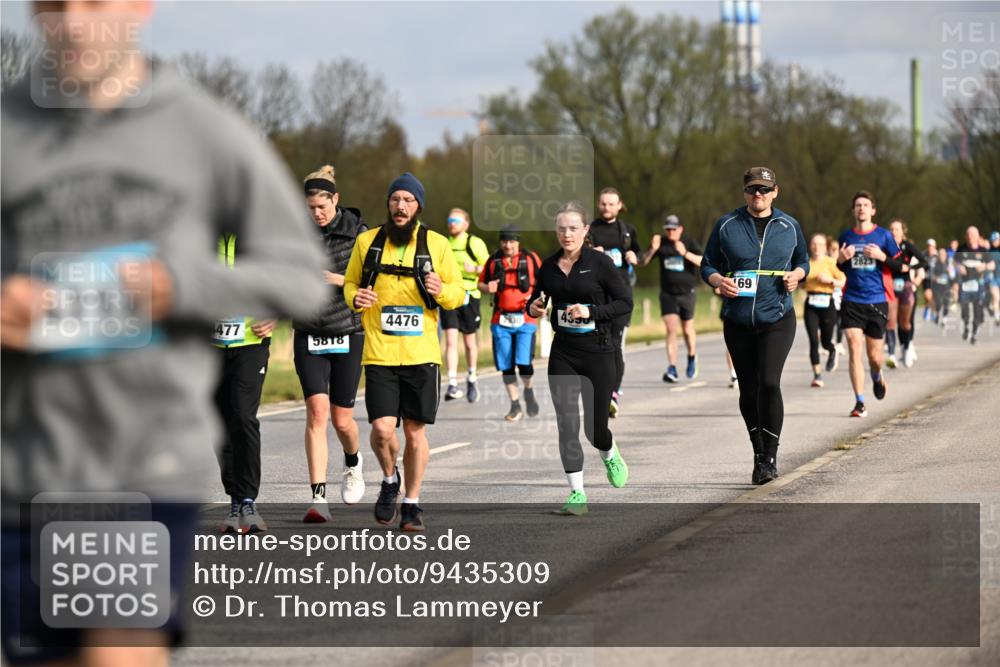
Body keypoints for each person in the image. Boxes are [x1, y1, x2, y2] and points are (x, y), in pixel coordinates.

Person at [1, 2, 328, 664]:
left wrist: (179, 287)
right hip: (22, 469)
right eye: (54, 6)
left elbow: (301, 276)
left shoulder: (203, 130)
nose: (73, 23)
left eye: (94, 3)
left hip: (141, 463)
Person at [344, 173, 464, 531]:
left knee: (414, 432)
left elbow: (458, 292)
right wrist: (355, 297)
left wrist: (441, 290)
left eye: (408, 201)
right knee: (382, 430)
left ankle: (411, 504)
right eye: (395, 200)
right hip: (380, 353)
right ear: (388, 204)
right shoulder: (367, 242)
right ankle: (388, 478)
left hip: (422, 353)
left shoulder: (437, 244)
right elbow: (350, 282)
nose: (400, 206)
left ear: (418, 207)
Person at [701, 167, 809, 485]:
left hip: (777, 317)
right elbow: (707, 263)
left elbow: (803, 260)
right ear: (744, 192)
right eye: (752, 190)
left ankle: (771, 456)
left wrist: (797, 276)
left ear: (776, 191)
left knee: (770, 383)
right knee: (748, 389)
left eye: (764, 189)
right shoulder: (726, 225)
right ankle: (759, 454)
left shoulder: (789, 226)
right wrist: (718, 279)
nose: (757, 195)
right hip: (737, 320)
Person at [528, 202, 632, 516]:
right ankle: (577, 493)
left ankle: (609, 451)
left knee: (595, 430)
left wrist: (591, 312)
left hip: (599, 353)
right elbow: (538, 299)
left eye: (573, 228)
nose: (567, 234)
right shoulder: (547, 267)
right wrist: (533, 308)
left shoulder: (600, 263)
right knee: (567, 425)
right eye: (561, 228)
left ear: (585, 230)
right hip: (564, 354)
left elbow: (625, 302)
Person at [294, 165, 367, 524]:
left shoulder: (358, 232)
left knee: (341, 420)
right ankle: (317, 497)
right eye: (309, 208)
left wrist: (339, 279)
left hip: (347, 330)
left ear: (335, 200)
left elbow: (372, 279)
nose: (316, 214)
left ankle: (353, 462)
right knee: (317, 412)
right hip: (309, 331)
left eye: (321, 207)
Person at [213, 234, 278, 534]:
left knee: (243, 416)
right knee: (220, 423)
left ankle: (249, 500)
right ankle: (235, 499)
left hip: (251, 341)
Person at [836, 191, 904, 418]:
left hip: (876, 301)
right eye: (857, 205)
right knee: (854, 348)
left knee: (875, 357)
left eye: (865, 205)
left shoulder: (884, 236)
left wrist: (882, 257)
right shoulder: (845, 236)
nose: (861, 208)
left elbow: (901, 266)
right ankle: (859, 402)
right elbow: (841, 267)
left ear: (873, 210)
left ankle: (877, 375)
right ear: (853, 210)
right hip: (852, 301)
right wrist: (841, 261)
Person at [586, 188, 641, 417]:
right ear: (599, 205)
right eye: (603, 204)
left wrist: (633, 257)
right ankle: (602, 389)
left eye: (611, 204)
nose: (607, 208)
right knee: (601, 346)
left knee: (616, 345)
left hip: (621, 295)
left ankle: (613, 394)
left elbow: (638, 253)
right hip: (598, 296)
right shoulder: (591, 229)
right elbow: (577, 256)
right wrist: (591, 252)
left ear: (619, 205)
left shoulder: (628, 230)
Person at [478, 226, 542, 421]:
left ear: (518, 242)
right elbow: (479, 284)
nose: (508, 245)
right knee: (506, 365)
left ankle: (528, 391)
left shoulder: (531, 259)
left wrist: (538, 296)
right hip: (500, 320)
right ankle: (515, 405)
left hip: (526, 319)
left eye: (512, 241)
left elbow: (546, 282)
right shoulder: (493, 260)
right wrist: (487, 287)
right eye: (504, 241)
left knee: (524, 364)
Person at [640, 214, 704, 383]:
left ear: (680, 229)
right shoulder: (660, 242)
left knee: (687, 329)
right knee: (671, 329)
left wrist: (685, 253)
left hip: (687, 292)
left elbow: (703, 261)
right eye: (667, 229)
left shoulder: (688, 241)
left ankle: (691, 356)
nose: (670, 232)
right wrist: (653, 249)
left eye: (673, 229)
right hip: (668, 293)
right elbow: (642, 262)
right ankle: (672, 368)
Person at [441, 208, 490, 403]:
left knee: (469, 342)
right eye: (450, 219)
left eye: (456, 220)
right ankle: (452, 382)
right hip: (449, 295)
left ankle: (471, 377)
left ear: (466, 224)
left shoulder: (474, 243)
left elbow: (490, 268)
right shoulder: (443, 243)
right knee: (451, 340)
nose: (452, 223)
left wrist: (476, 269)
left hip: (470, 295)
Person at [803, 233, 846, 388]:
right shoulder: (806, 263)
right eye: (814, 244)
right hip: (811, 303)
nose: (817, 247)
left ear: (826, 247)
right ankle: (817, 375)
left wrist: (830, 281)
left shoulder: (831, 262)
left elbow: (842, 281)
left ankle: (832, 349)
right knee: (813, 341)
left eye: (820, 244)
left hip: (828, 303)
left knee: (825, 340)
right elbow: (801, 282)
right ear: (810, 246)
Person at [885, 219, 928, 368]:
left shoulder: (907, 246)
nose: (894, 232)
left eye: (897, 229)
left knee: (905, 322)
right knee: (891, 320)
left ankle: (907, 347)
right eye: (891, 229)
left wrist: (910, 267)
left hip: (906, 287)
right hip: (890, 286)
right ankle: (891, 354)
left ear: (903, 231)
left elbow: (924, 262)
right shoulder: (885, 246)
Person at [955, 226, 994, 345]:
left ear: (978, 236)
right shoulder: (961, 249)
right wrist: (959, 267)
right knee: (965, 309)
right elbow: (954, 263)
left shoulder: (983, 250)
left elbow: (992, 265)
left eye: (973, 234)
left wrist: (984, 267)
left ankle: (974, 334)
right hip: (965, 285)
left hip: (979, 285)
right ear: (965, 236)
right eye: (968, 234)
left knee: (978, 310)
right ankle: (966, 325)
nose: (970, 237)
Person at [827, 236, 846, 355]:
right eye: (832, 249)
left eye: (837, 249)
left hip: (842, 295)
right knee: (830, 320)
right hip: (829, 295)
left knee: (840, 320)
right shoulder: (826, 263)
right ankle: (827, 342)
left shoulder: (843, 263)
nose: (834, 252)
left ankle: (839, 343)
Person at [928, 247, 955, 326]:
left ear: (946, 255)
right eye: (940, 254)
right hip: (937, 287)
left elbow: (953, 276)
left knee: (946, 303)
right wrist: (935, 278)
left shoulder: (949, 264)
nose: (942, 256)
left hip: (946, 286)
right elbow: (931, 274)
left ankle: (944, 319)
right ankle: (937, 314)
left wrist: (950, 271)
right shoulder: (935, 264)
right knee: (939, 303)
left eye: (943, 254)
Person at [922, 238, 939, 321]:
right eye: (929, 246)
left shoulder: (938, 255)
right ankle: (932, 310)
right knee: (927, 295)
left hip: (936, 279)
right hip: (926, 278)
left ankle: (931, 309)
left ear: (934, 246)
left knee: (933, 297)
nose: (930, 248)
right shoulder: (923, 254)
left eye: (931, 246)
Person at [988, 231, 1000, 326]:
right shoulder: (989, 252)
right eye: (993, 240)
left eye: (996, 240)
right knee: (996, 297)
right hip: (993, 278)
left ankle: (993, 308)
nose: (994, 242)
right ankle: (997, 317)